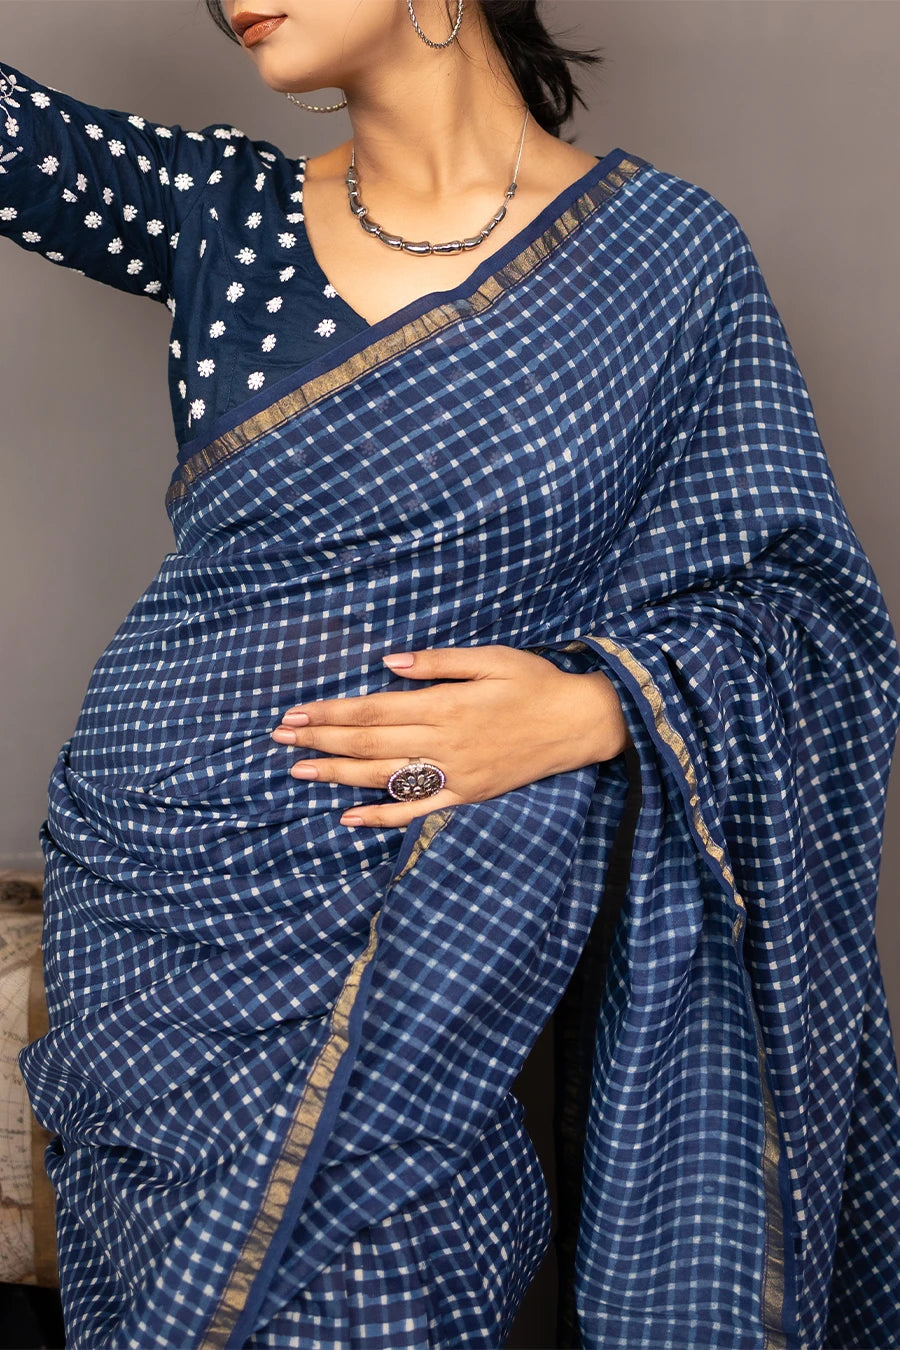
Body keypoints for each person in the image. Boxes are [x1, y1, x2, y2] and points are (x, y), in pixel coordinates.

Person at [3, 1, 899, 1346]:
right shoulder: (218, 211)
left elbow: (805, 611)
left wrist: (597, 709)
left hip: (421, 920)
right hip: (152, 905)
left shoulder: (664, 261)